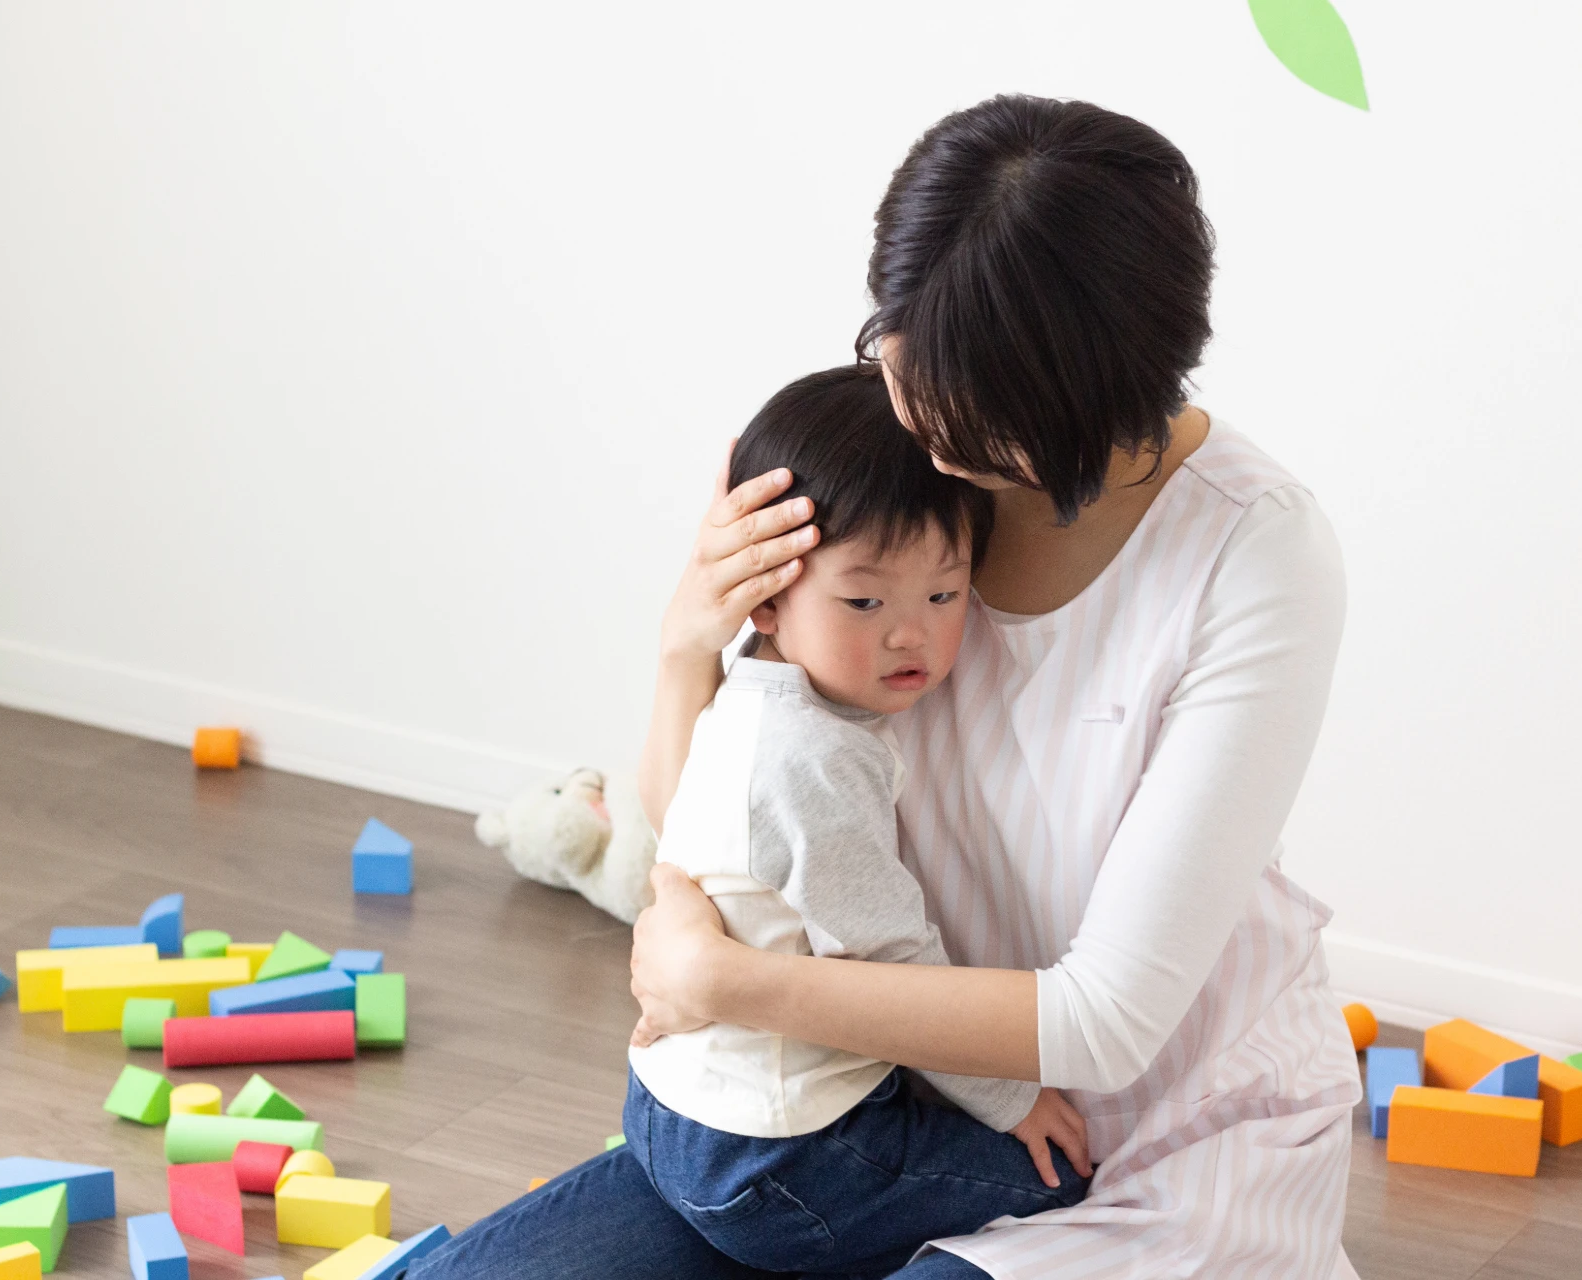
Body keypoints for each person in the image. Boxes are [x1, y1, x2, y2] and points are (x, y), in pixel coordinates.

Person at [413, 93, 1360, 1280]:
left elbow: (1105, 1022)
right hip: (865, 1112)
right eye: (899, 355)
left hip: (1147, 1148)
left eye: (960, 400)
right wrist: (684, 648)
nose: (916, 413)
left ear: (1078, 396)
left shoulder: (1255, 552)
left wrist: (726, 979)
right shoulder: (894, 470)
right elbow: (728, 818)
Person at [621, 365, 1091, 1275]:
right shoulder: (815, 757)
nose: (909, 635)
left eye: (944, 596)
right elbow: (890, 957)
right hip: (778, 1159)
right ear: (765, 594)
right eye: (865, 602)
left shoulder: (750, 701)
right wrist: (1012, 1102)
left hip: (667, 1109)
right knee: (1061, 1183)